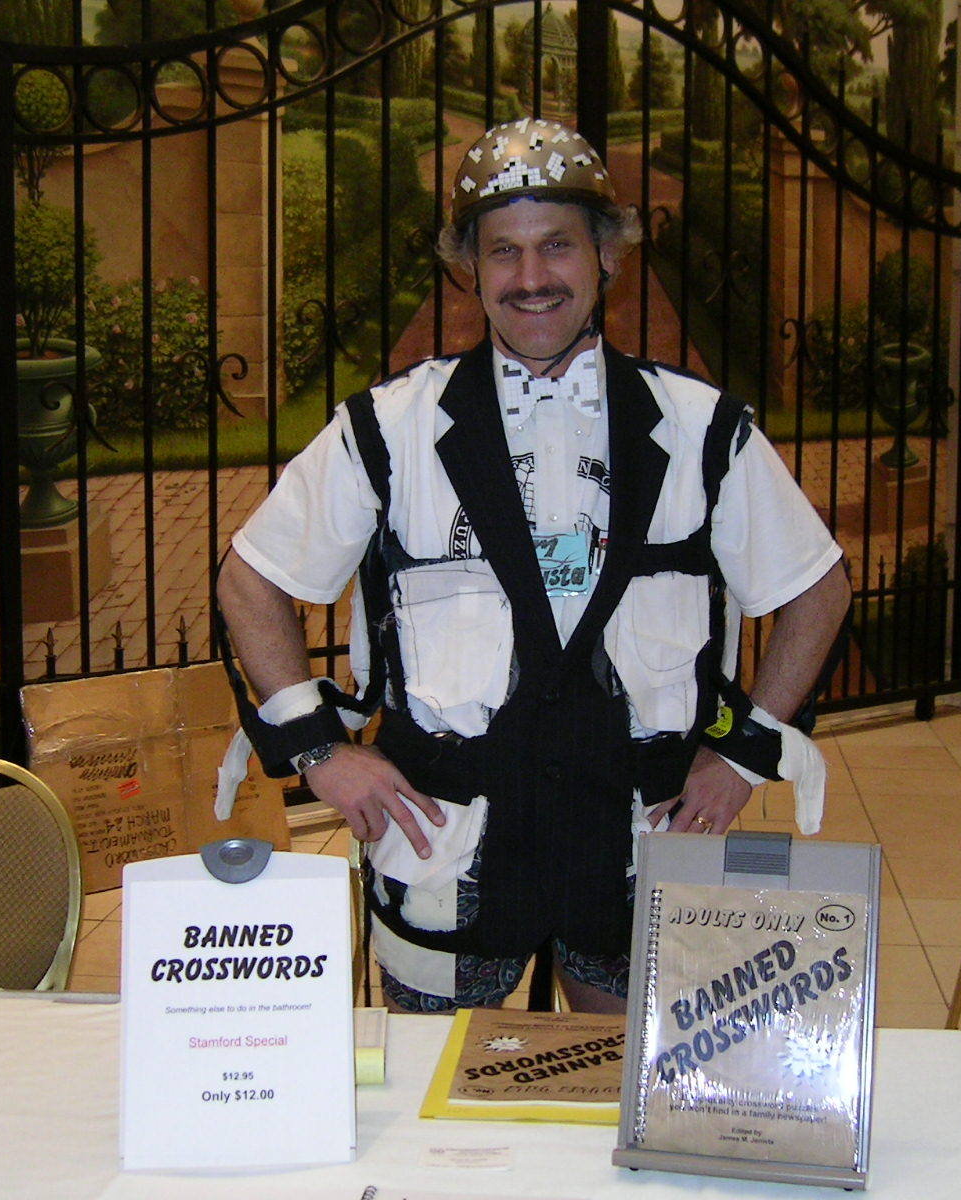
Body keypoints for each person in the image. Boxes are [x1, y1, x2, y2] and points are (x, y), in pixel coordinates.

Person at [216, 117, 850, 1014]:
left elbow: (818, 588)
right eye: (502, 251)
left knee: (615, 1112)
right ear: (469, 267)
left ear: (607, 256)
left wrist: (744, 758)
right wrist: (317, 750)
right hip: (449, 847)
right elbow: (250, 579)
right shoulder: (389, 428)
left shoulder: (704, 429)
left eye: (557, 245)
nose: (531, 278)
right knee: (436, 1124)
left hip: (633, 844)